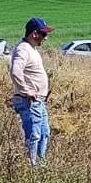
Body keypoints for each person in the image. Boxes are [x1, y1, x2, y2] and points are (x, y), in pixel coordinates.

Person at [10, 17, 54, 165]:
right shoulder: (23, 49)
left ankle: (41, 164)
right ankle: (32, 166)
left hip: (38, 101)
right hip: (29, 101)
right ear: (34, 34)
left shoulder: (31, 49)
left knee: (44, 133)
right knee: (34, 135)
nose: (46, 38)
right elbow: (16, 71)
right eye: (44, 34)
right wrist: (26, 91)